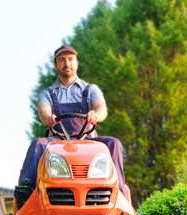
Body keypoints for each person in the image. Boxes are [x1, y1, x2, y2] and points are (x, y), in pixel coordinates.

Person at [16, 45, 127, 205]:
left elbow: (101, 108)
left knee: (113, 143)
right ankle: (26, 191)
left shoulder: (90, 90)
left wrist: (96, 114)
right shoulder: (48, 93)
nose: (66, 63)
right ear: (56, 65)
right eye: (62, 60)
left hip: (89, 141)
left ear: (77, 62)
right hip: (57, 142)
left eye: (70, 59)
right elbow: (43, 109)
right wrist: (48, 116)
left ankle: (119, 191)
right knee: (38, 144)